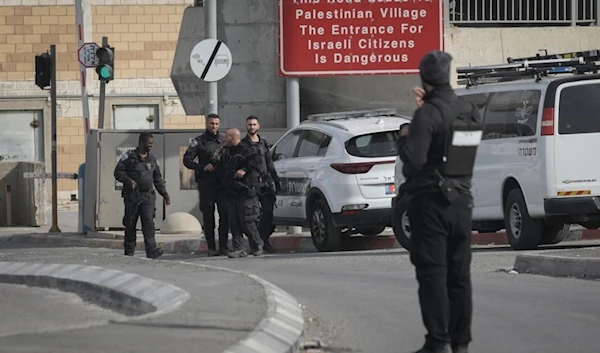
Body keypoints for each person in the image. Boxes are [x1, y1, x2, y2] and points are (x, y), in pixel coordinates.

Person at [397, 51, 482, 353]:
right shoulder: (468, 108)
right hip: (462, 201)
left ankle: (438, 341)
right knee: (459, 276)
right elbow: (457, 158)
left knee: (433, 273)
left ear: (424, 78)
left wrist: (407, 135)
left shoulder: (426, 114)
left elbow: (413, 163)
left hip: (431, 203)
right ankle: (461, 343)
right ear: (447, 75)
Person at [114, 132, 171, 259]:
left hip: (148, 197)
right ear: (141, 142)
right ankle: (129, 251)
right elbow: (118, 172)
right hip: (132, 197)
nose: (150, 146)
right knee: (130, 223)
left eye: (152, 144)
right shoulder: (129, 157)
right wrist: (129, 181)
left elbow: (157, 179)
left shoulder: (152, 158)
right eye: (148, 143)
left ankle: (151, 250)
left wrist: (165, 194)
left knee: (148, 223)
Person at [183, 114, 230, 257]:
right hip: (206, 185)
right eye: (211, 123)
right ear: (206, 124)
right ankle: (211, 247)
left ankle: (224, 246)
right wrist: (202, 167)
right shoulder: (198, 142)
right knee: (208, 217)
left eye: (216, 124)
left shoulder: (224, 141)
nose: (214, 126)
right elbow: (187, 160)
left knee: (225, 215)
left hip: (222, 184)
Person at [218, 128, 264, 258]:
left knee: (247, 220)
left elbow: (257, 161)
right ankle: (239, 248)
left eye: (226, 137)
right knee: (234, 221)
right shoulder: (227, 152)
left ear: (233, 138)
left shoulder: (246, 149)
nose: (224, 139)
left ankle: (257, 245)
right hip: (232, 191)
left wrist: (244, 169)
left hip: (246, 190)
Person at [240, 116, 281, 253]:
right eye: (250, 125)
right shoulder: (243, 145)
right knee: (253, 215)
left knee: (268, 213)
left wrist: (276, 180)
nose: (252, 127)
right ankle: (256, 243)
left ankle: (264, 239)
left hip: (265, 184)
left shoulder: (263, 144)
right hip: (250, 183)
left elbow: (269, 163)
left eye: (254, 125)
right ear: (246, 126)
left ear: (258, 126)